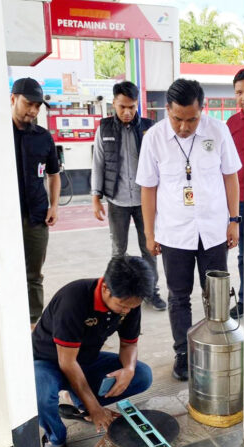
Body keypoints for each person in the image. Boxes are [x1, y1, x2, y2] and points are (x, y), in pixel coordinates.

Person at [136, 79, 242, 381]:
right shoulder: (154, 138)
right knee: (179, 296)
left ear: (202, 110)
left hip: (213, 230)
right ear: (167, 110)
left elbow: (230, 177)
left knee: (216, 294)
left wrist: (234, 220)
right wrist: (149, 233)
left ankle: (216, 347)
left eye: (191, 119)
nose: (184, 126)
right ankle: (183, 354)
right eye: (177, 118)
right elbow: (148, 188)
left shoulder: (217, 131)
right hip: (174, 233)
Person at [32, 256, 155, 447]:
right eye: (122, 305)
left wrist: (129, 369)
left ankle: (80, 402)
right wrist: (96, 409)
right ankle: (56, 437)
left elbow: (129, 343)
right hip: (49, 361)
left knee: (142, 375)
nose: (127, 311)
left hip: (86, 360)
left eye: (132, 307)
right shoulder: (74, 299)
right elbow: (67, 363)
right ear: (106, 288)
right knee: (41, 394)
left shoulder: (130, 300)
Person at [91, 81, 167, 311]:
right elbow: (98, 163)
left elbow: (160, 164)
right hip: (117, 200)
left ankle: (150, 292)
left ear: (138, 106)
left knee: (150, 248)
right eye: (122, 106)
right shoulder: (104, 129)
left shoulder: (149, 128)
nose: (127, 112)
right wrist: (96, 197)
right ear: (114, 103)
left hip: (145, 201)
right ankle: (115, 291)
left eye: (132, 107)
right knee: (118, 250)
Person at [11, 77, 61, 327]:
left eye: (37, 106)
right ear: (13, 99)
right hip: (4, 218)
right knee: (7, 271)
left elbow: (54, 174)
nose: (33, 110)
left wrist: (53, 206)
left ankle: (32, 323)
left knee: (33, 275)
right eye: (28, 104)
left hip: (37, 217)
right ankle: (9, 320)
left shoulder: (43, 137)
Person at [226, 69, 244, 320]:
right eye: (239, 92)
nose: (243, 97)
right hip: (238, 201)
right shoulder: (231, 124)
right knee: (242, 253)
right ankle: (243, 300)